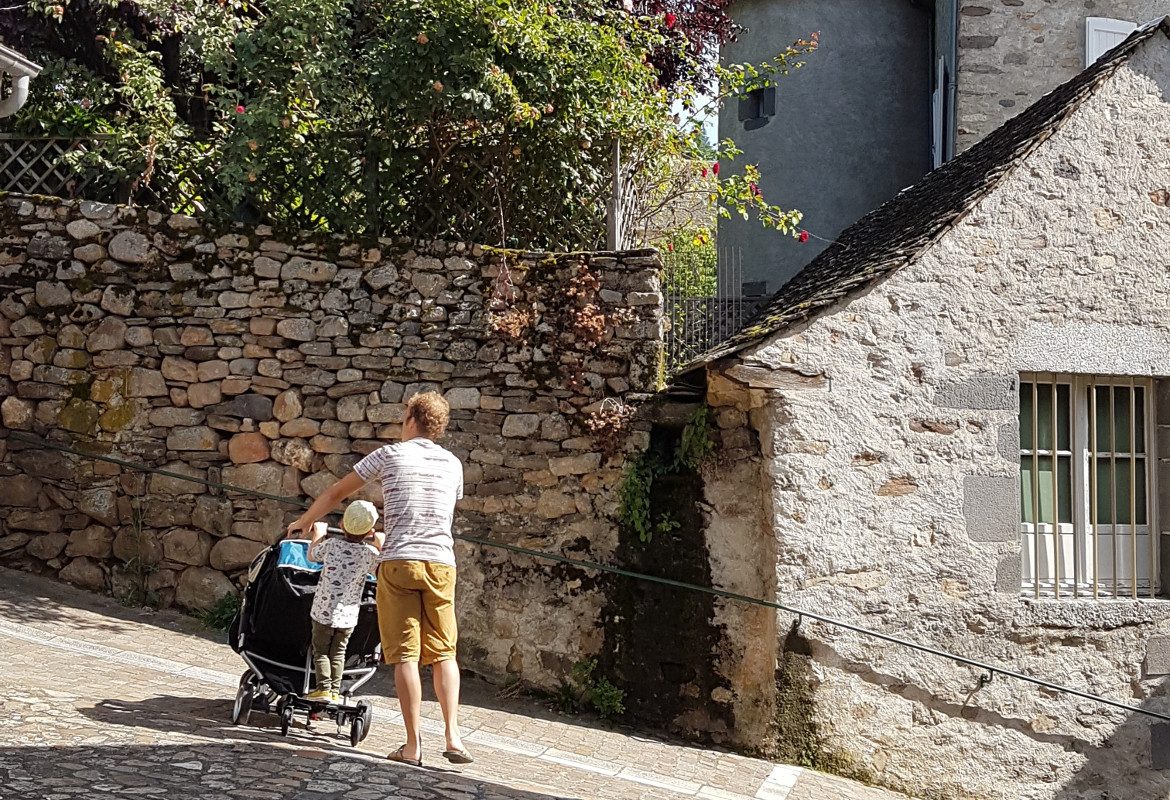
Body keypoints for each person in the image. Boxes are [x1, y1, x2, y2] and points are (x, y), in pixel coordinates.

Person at [286, 391, 471, 767]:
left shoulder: (390, 454)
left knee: (405, 655)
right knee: (444, 653)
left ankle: (413, 746)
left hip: (400, 560)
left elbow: (339, 491)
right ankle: (453, 737)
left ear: (410, 420)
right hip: (441, 564)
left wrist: (305, 521)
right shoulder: (453, 463)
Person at [303, 501, 383, 704]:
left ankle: (323, 688)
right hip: (348, 616)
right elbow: (383, 570)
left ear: (341, 525)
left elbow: (312, 556)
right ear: (369, 531)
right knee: (338, 654)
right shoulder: (369, 554)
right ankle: (335, 692)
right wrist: (380, 544)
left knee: (321, 651)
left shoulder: (331, 545)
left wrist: (318, 534)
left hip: (322, 611)